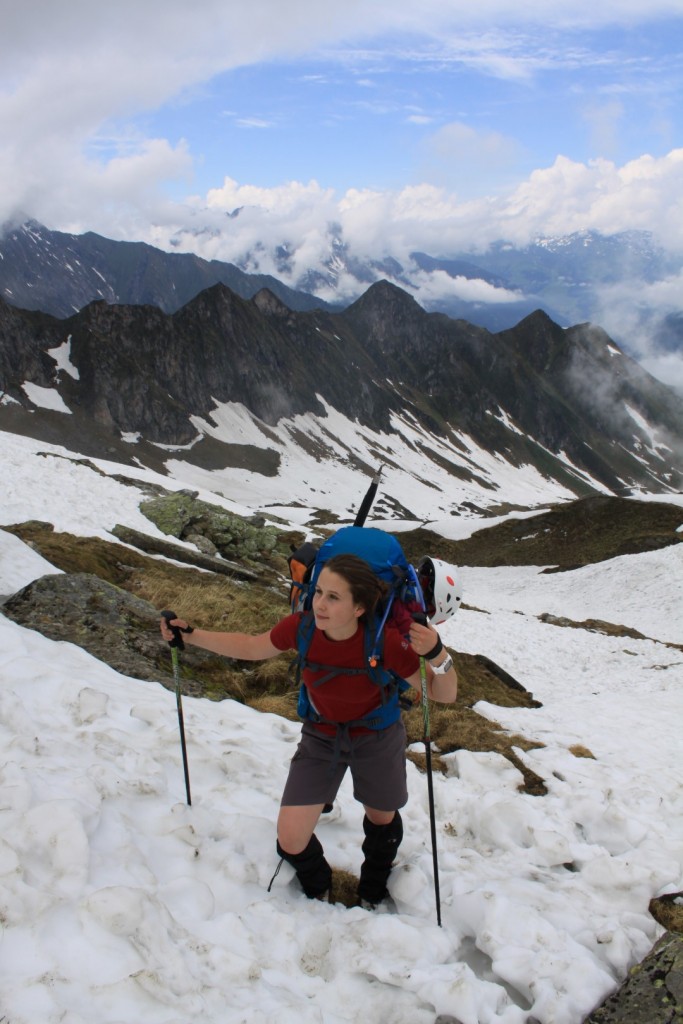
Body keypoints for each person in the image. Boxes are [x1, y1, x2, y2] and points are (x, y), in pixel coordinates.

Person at [160, 553, 458, 907]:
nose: (319, 604)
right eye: (318, 592)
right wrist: (190, 636)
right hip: (322, 735)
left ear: (360, 608)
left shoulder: (383, 642)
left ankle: (373, 888)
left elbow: (443, 694)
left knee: (381, 817)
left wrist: (439, 654)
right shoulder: (301, 628)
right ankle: (319, 888)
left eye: (333, 597)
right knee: (290, 838)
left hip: (377, 735)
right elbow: (250, 646)